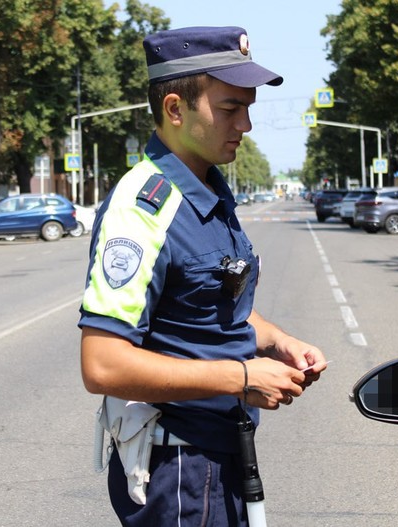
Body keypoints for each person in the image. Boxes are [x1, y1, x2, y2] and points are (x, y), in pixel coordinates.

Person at [78, 26, 327, 527]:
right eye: (230, 109)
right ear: (175, 109)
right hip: (180, 474)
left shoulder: (207, 187)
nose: (247, 124)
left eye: (248, 108)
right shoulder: (144, 207)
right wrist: (240, 377)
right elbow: (102, 365)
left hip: (219, 458)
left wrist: (276, 341)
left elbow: (210, 305)